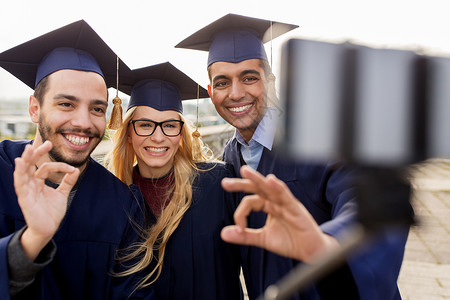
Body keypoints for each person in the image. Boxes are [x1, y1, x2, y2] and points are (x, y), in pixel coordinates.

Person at [176, 13, 409, 299]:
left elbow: (365, 204)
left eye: (249, 78)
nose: (236, 93)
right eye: (222, 83)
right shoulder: (231, 156)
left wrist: (327, 246)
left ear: (270, 81)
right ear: (211, 92)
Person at [0, 20, 153, 299]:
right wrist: (31, 240)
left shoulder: (123, 204)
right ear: (35, 108)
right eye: (66, 104)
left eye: (97, 108)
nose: (83, 122)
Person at [105, 62, 243, 299]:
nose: (158, 137)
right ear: (128, 132)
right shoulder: (115, 199)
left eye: (169, 125)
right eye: (145, 125)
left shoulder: (218, 184)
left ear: (181, 133)